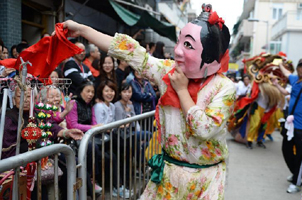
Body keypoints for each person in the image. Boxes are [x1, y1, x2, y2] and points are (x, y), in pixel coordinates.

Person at [59, 3, 235, 199]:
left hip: (205, 180)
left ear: (210, 55)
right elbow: (130, 52)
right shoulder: (168, 71)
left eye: (188, 45)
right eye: (179, 42)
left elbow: (204, 128)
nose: (177, 51)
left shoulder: (224, 87)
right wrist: (84, 30)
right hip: (169, 175)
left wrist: (182, 90)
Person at [273, 60, 302, 193]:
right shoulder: (295, 80)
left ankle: (297, 182)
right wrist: (279, 64)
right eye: (300, 67)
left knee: (300, 156)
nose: (301, 69)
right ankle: (296, 173)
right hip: (290, 125)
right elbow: (286, 73)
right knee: (286, 149)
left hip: (301, 127)